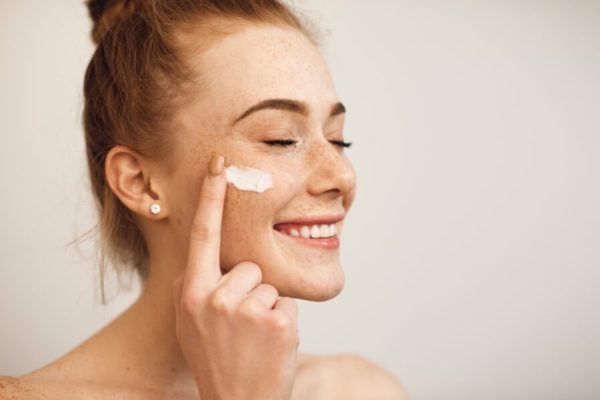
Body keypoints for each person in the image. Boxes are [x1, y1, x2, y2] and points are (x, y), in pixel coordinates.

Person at [0, 0, 409, 398]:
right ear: (140, 183)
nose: (342, 175)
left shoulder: (364, 390)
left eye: (338, 139)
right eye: (280, 139)